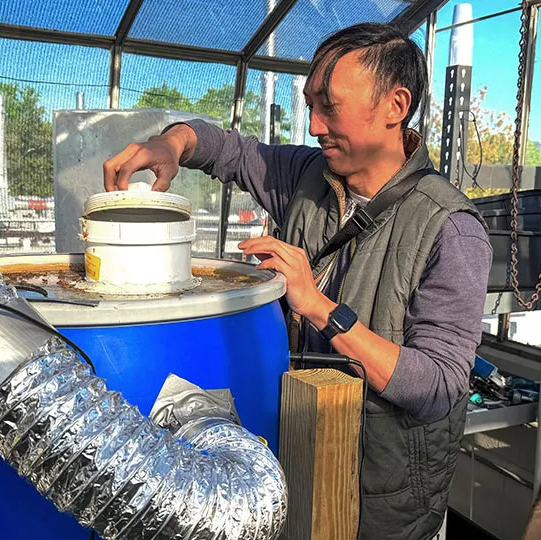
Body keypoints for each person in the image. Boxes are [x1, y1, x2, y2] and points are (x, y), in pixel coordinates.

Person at [103, 22, 492, 540]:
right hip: (294, 457)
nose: (313, 125)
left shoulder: (451, 229)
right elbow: (229, 150)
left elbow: (439, 386)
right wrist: (171, 143)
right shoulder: (306, 176)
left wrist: (319, 308)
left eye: (329, 106)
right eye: (310, 105)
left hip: (380, 502)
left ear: (396, 107)